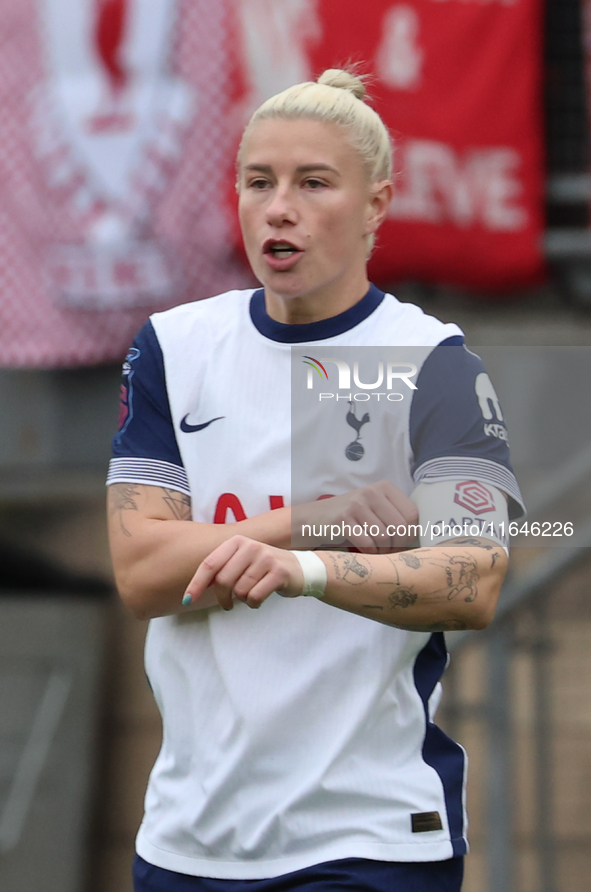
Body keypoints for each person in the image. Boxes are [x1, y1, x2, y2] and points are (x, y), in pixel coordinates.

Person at [107, 68, 524, 892]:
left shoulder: (430, 362)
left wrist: (302, 571)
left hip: (369, 836)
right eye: (258, 182)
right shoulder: (174, 347)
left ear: (376, 203)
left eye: (313, 183)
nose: (279, 207)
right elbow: (142, 572)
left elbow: (471, 579)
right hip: (191, 837)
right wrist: (309, 521)